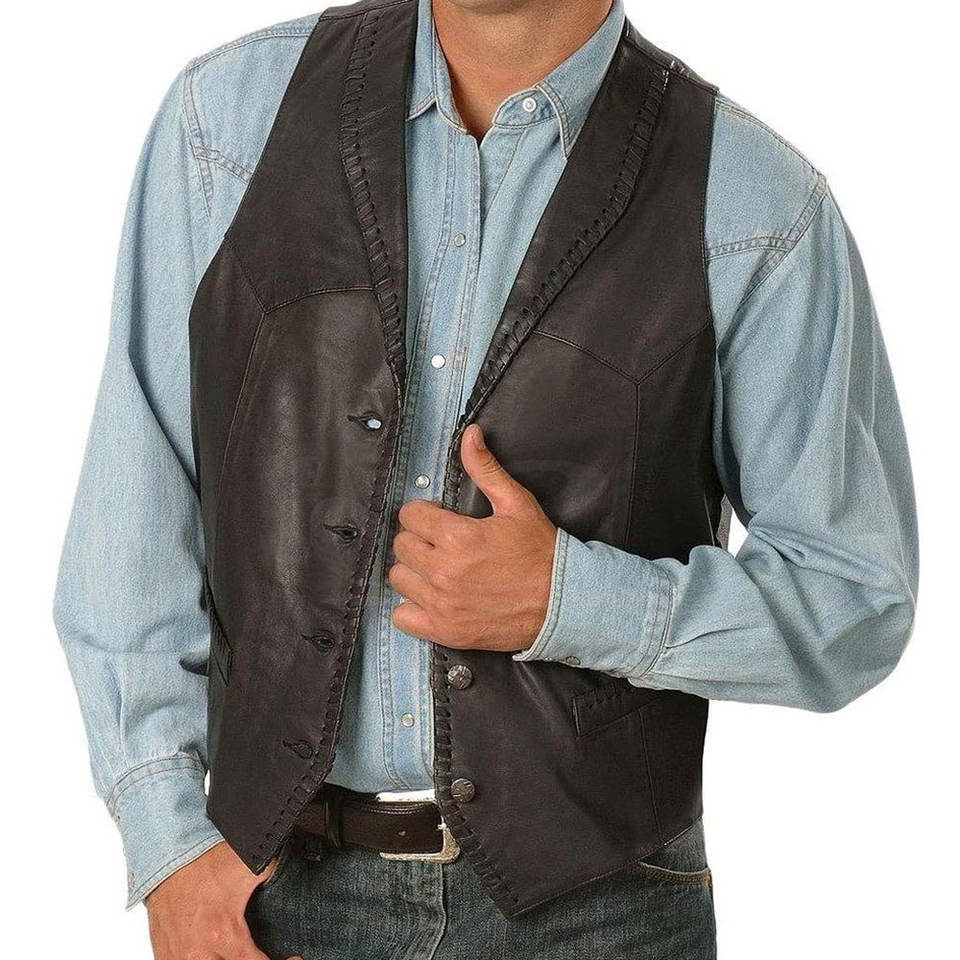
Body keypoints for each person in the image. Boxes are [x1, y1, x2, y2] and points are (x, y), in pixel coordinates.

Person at [52, 0, 918, 957]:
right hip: (276, 900)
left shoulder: (757, 203)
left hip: (604, 911)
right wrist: (168, 843)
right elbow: (134, 515)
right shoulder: (228, 119)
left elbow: (853, 597)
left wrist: (572, 601)